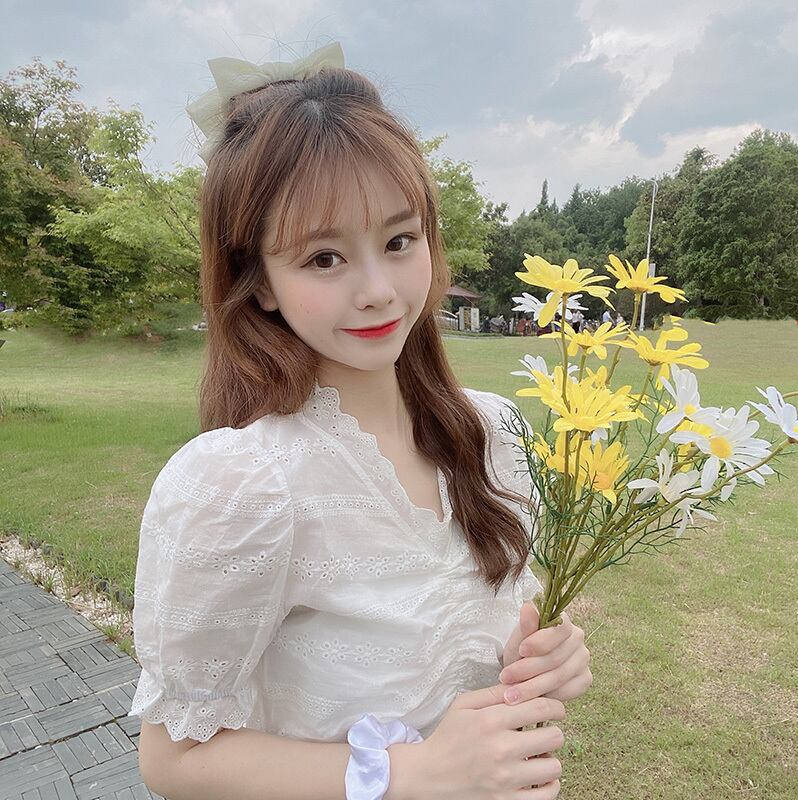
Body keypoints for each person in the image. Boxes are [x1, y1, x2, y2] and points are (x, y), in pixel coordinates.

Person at [130, 42, 591, 800]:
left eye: (399, 241)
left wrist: (544, 656)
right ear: (261, 282)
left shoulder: (495, 433)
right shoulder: (244, 486)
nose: (378, 289)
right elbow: (173, 760)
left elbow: (475, 637)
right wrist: (412, 773)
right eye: (323, 258)